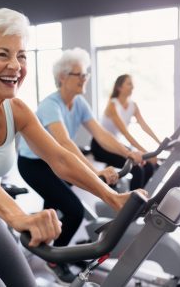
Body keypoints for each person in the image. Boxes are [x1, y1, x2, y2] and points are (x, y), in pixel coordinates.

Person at [0, 9, 146, 287]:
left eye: (21, 55)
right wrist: (20, 217)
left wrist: (113, 198)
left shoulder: (17, 110)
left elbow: (60, 157)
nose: (16, 65)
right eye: (2, 54)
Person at [17, 47, 143, 284]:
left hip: (54, 162)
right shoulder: (50, 106)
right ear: (63, 78)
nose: (84, 79)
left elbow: (101, 134)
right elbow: (63, 142)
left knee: (55, 208)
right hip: (34, 165)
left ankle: (55, 250)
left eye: (85, 74)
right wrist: (94, 172)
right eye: (79, 74)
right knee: (73, 210)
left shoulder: (79, 102)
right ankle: (55, 259)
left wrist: (129, 152)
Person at [91, 74, 161, 191]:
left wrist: (160, 143)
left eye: (132, 84)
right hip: (101, 145)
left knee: (149, 167)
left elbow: (144, 126)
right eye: (129, 84)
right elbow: (125, 133)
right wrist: (146, 153)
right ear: (119, 87)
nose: (132, 87)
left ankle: (142, 199)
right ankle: (133, 205)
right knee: (137, 169)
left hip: (116, 145)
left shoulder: (133, 105)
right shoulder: (112, 105)